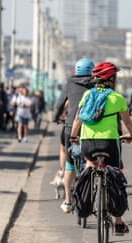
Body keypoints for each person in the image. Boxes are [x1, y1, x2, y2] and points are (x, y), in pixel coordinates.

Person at [70, 61, 132, 235]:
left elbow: (77, 119)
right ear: (112, 78)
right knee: (115, 172)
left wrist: (73, 136)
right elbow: (127, 121)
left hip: (88, 143)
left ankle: (89, 193)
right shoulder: (117, 98)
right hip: (109, 142)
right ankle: (119, 222)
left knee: (90, 165)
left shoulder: (86, 96)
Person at [53, 58, 95, 214]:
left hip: (71, 125)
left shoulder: (70, 83)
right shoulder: (96, 82)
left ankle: (68, 201)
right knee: (91, 158)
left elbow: (60, 104)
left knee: (70, 162)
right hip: (91, 126)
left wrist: (55, 118)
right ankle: (91, 187)